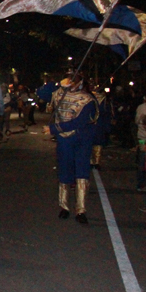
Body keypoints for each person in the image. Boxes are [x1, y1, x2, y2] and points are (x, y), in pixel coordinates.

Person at [47, 73, 98, 224]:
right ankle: (64, 207)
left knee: (82, 173)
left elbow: (80, 122)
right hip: (65, 140)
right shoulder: (59, 94)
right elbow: (42, 93)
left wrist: (54, 129)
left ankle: (81, 210)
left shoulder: (87, 99)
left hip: (82, 140)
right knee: (64, 171)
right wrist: (57, 84)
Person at [90, 84, 113, 170]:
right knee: (98, 144)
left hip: (92, 124)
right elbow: (108, 113)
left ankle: (91, 161)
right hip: (100, 124)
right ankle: (96, 161)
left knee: (90, 143)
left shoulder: (90, 98)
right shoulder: (105, 101)